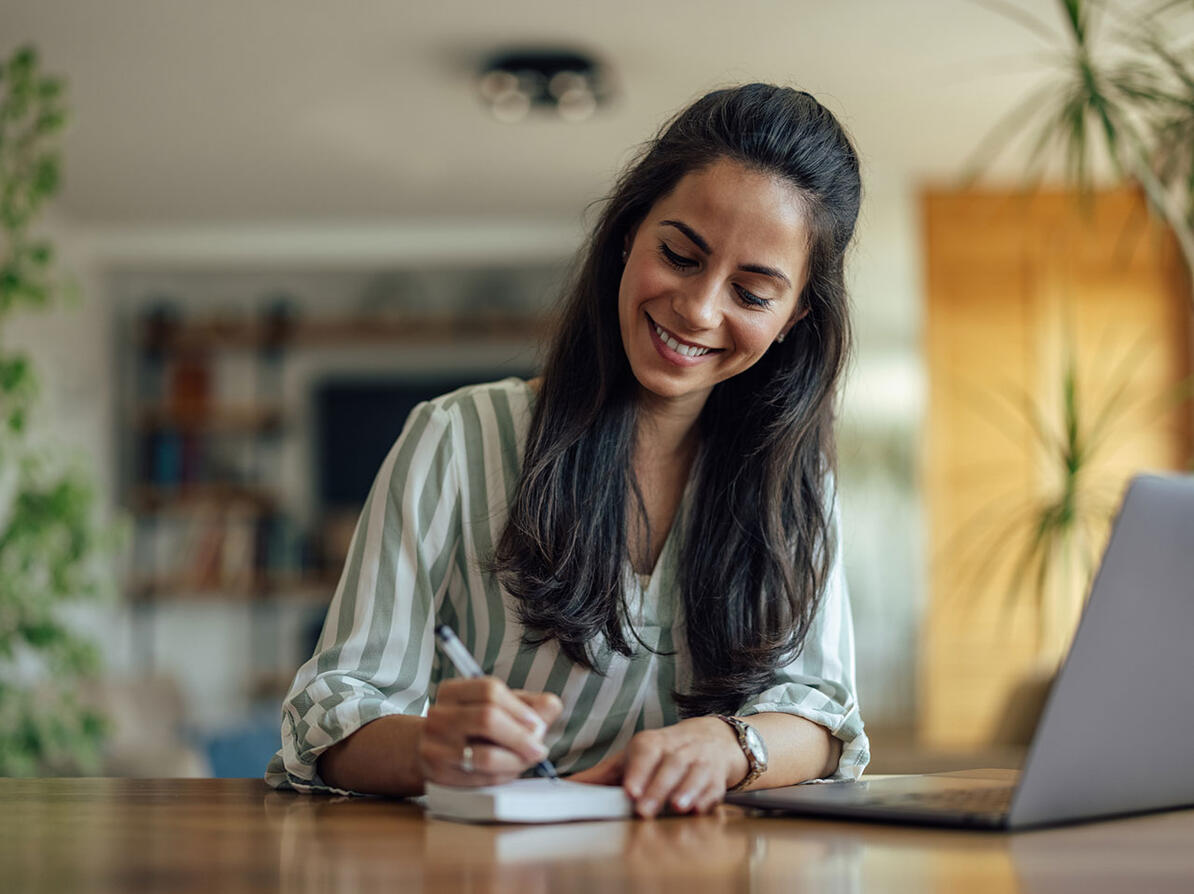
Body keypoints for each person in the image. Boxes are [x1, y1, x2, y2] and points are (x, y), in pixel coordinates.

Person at [266, 83, 869, 817]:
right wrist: (431, 747)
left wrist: (731, 745)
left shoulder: (794, 484)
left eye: (751, 293)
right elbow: (326, 715)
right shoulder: (454, 439)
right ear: (628, 234)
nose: (700, 308)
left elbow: (826, 717)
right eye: (680, 255)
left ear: (794, 317)